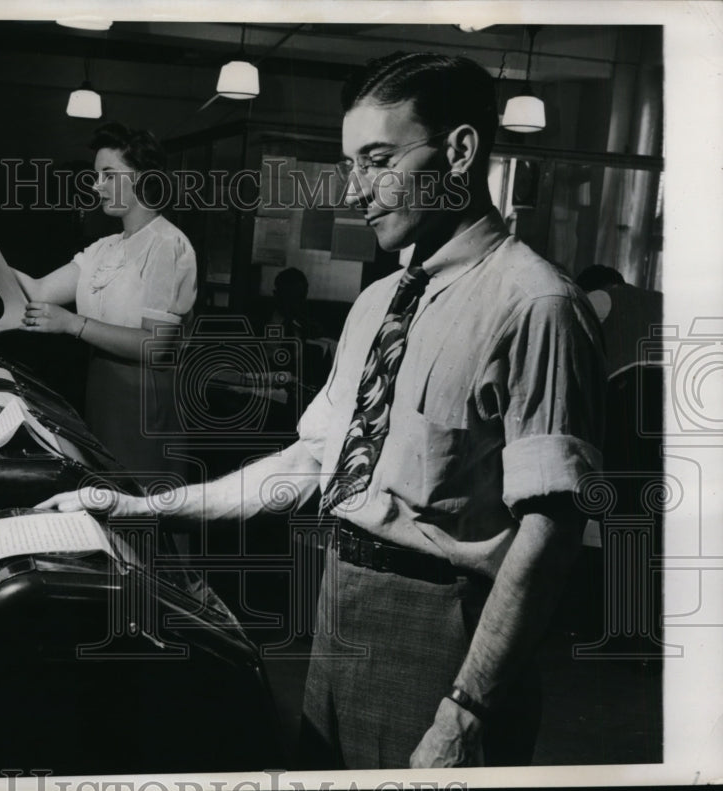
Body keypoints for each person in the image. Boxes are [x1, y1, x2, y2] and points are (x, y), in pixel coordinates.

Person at [42, 53, 605, 768]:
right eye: (350, 164)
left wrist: (466, 710)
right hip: (338, 606)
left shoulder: (538, 306)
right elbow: (307, 462)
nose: (357, 191)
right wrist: (143, 509)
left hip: (444, 637)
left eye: (377, 160)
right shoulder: (377, 303)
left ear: (461, 150)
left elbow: (551, 533)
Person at [14, 122, 197, 478]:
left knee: (137, 513)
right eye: (97, 175)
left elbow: (156, 346)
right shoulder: (105, 248)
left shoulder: (167, 245)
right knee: (105, 506)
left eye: (108, 175)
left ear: (144, 178)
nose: (97, 186)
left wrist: (73, 324)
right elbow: (37, 292)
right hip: (102, 394)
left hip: (143, 402)